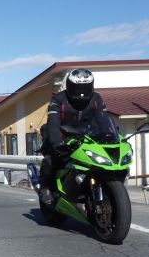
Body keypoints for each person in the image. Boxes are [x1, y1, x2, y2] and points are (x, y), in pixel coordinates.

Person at [38, 68, 108, 205]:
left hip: (88, 139)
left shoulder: (97, 99)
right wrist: (57, 143)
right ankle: (45, 187)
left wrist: (109, 135)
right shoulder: (58, 100)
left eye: (85, 88)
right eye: (77, 88)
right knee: (51, 159)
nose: (81, 92)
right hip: (63, 138)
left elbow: (104, 119)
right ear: (69, 86)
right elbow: (53, 124)